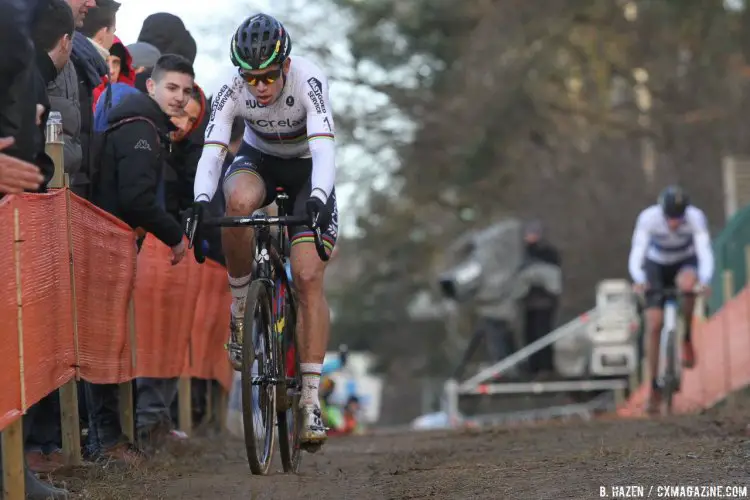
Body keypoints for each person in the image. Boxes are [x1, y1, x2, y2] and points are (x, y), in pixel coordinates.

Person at [190, 13, 339, 449]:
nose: (259, 86)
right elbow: (213, 153)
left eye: (268, 76)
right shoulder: (230, 89)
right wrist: (201, 202)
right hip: (258, 160)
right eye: (251, 77)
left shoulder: (310, 80)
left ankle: (310, 400)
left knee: (308, 276)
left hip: (308, 168)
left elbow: (325, 151)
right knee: (235, 206)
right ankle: (240, 311)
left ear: (286, 66)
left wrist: (315, 197)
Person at [628, 185, 713, 412]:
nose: (674, 223)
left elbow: (704, 250)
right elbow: (638, 251)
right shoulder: (648, 218)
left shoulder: (695, 217)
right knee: (654, 323)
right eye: (670, 218)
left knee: (688, 285)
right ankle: (654, 385)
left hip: (684, 262)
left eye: (679, 218)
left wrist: (704, 280)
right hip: (656, 266)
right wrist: (639, 278)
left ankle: (685, 335)